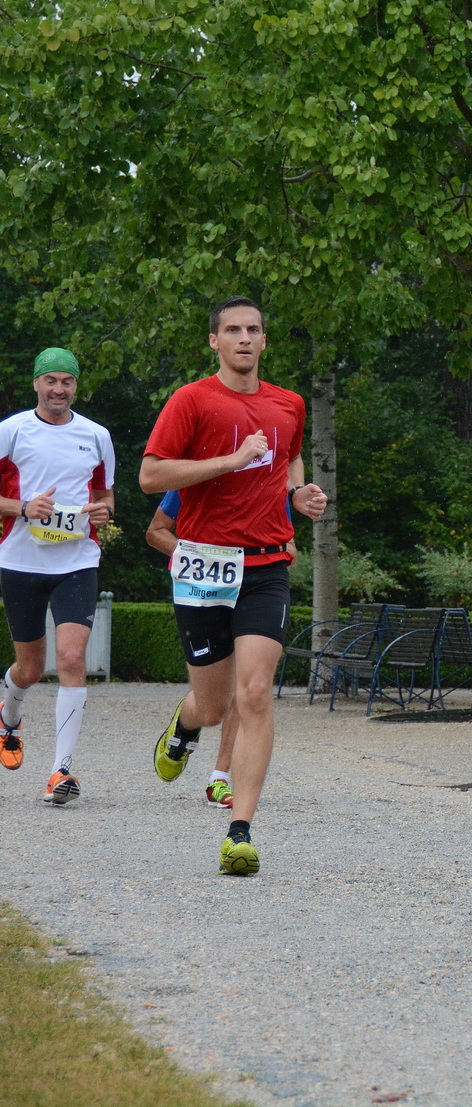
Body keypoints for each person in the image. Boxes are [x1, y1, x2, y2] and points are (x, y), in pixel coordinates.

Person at [139, 296, 327, 875]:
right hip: (203, 564)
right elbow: (151, 475)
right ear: (214, 341)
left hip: (266, 565)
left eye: (254, 330)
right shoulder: (191, 401)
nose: (244, 338)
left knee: (255, 694)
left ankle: (239, 831)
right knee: (217, 706)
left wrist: (300, 495)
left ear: (264, 341)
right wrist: (227, 460)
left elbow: (288, 461)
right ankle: (186, 724)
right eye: (233, 331)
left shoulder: (288, 404)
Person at [0, 348, 116, 805]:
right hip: (21, 562)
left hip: (77, 562)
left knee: (70, 660)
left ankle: (60, 772)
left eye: (66, 381)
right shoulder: (10, 431)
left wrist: (104, 513)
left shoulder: (97, 435)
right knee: (30, 668)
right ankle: (9, 716)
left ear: (75, 386)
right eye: (50, 380)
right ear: (35, 384)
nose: (58, 389)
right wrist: (23, 508)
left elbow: (107, 497)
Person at [146, 489, 297, 809]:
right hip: (203, 588)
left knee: (250, 686)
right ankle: (186, 725)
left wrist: (278, 556)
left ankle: (220, 778)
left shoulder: (270, 481)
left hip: (257, 589)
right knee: (212, 705)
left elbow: (289, 542)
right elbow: (156, 531)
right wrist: (198, 557)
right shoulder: (198, 476)